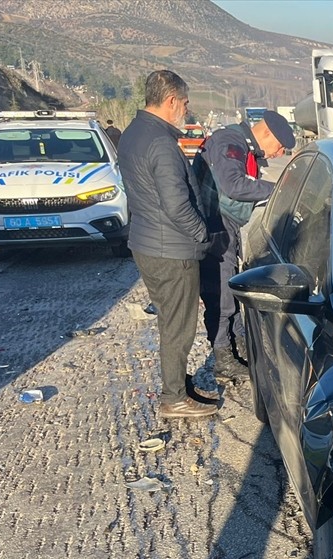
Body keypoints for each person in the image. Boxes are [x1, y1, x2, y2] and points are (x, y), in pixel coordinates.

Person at [117, 70, 217, 419]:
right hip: (171, 249)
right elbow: (176, 204)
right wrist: (201, 234)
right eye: (185, 103)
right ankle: (173, 398)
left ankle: (178, 385)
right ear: (171, 100)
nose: (187, 110)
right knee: (179, 326)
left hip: (148, 243)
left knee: (170, 320)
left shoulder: (133, 133)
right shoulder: (160, 142)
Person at [195, 109, 296, 382]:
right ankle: (223, 358)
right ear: (267, 133)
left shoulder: (241, 144)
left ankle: (238, 344)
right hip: (213, 225)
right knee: (220, 292)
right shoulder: (230, 142)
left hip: (222, 223)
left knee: (228, 287)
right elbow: (234, 185)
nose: (278, 154)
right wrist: (280, 190)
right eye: (280, 147)